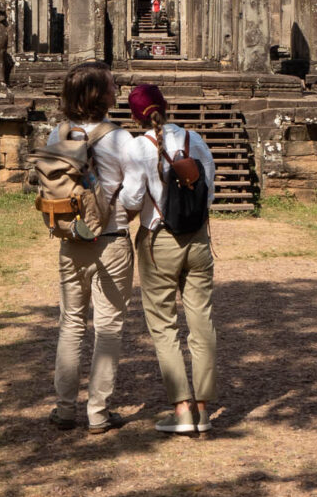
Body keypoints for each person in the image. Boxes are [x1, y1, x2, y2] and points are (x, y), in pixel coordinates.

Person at [47, 61, 144, 434]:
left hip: (72, 239)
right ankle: (98, 412)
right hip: (111, 241)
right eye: (111, 86)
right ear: (98, 95)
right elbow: (135, 192)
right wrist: (124, 214)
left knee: (70, 323)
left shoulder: (58, 133)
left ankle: (65, 409)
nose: (117, 91)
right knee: (107, 328)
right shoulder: (120, 139)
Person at [127, 82, 218, 434]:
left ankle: (181, 409)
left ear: (136, 116)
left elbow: (134, 199)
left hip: (158, 240)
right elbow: (208, 188)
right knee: (202, 321)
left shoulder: (138, 148)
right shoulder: (194, 140)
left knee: (164, 326)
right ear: (166, 105)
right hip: (197, 239)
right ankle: (204, 408)